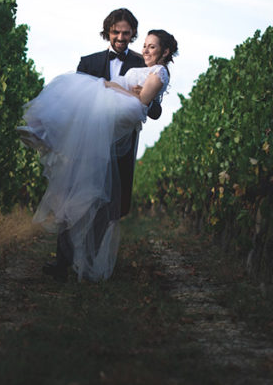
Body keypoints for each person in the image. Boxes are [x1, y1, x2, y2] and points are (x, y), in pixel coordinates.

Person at [19, 22, 177, 281]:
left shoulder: (146, 64)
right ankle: (63, 262)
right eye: (116, 32)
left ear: (132, 35)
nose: (121, 37)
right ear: (108, 33)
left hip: (119, 144)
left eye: (127, 33)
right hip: (87, 142)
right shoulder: (89, 62)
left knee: (105, 204)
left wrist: (139, 96)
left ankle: (90, 261)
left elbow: (153, 106)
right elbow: (78, 102)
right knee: (75, 194)